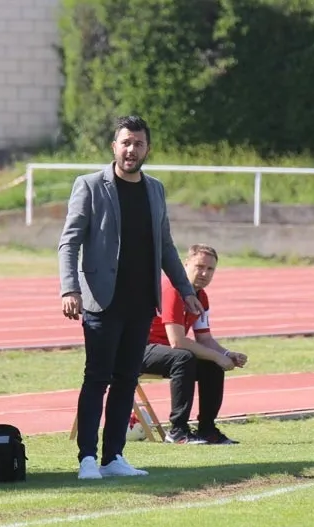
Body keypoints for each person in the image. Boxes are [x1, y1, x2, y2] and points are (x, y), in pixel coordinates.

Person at [58, 115, 203, 480]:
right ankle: (87, 459)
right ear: (114, 147)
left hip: (141, 302)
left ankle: (114, 457)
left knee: (126, 380)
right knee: (97, 378)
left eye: (138, 144)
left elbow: (166, 246)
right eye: (125, 143)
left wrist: (186, 291)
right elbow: (69, 241)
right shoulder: (90, 186)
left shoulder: (155, 189)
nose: (131, 150)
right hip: (102, 301)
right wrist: (69, 288)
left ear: (146, 148)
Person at [142, 244, 246, 445]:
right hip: (138, 350)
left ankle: (207, 430)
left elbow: (204, 339)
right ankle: (178, 431)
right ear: (185, 264)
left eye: (210, 269)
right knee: (185, 356)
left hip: (167, 354)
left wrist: (226, 354)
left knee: (211, 363)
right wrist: (216, 355)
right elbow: (177, 341)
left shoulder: (200, 296)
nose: (204, 273)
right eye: (199, 267)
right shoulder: (172, 289)